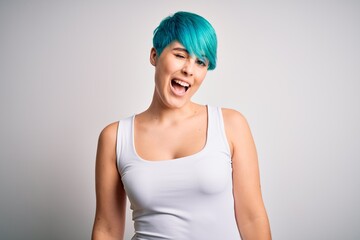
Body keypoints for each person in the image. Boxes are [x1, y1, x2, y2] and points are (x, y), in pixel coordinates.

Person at [91, 11, 271, 240]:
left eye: (200, 62)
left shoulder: (231, 125)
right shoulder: (115, 137)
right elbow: (106, 228)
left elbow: (252, 218)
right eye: (180, 55)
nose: (189, 69)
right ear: (154, 56)